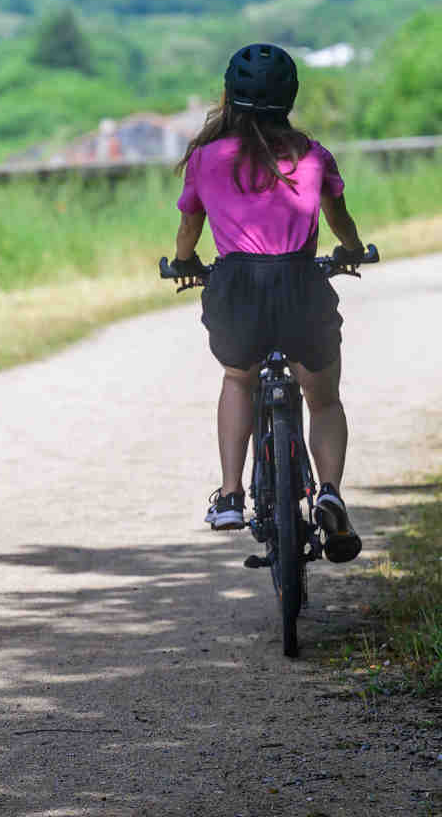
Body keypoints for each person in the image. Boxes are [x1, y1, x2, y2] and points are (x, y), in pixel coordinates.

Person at [170, 43, 366, 563]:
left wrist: (183, 261)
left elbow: (189, 227)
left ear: (230, 96)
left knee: (239, 378)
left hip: (237, 289)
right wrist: (350, 250)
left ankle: (232, 495)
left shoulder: (206, 157)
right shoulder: (312, 154)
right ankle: (328, 492)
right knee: (322, 399)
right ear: (290, 97)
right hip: (301, 285)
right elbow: (339, 220)